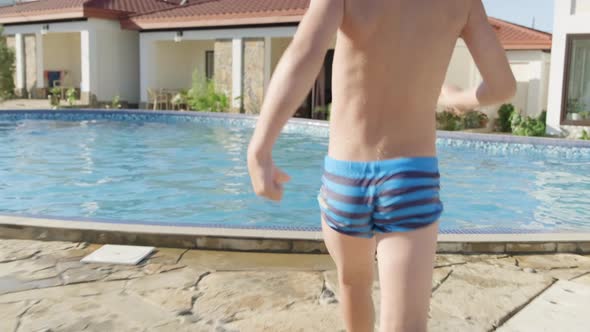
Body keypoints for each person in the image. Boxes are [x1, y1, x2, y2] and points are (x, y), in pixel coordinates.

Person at [247, 0, 516, 331]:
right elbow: (503, 86)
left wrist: (261, 147)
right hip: (410, 178)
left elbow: (304, 53)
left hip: (345, 176)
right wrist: (455, 98)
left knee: (354, 284)